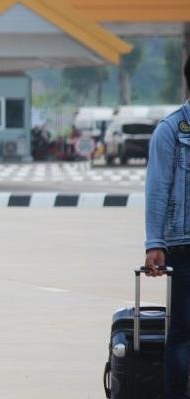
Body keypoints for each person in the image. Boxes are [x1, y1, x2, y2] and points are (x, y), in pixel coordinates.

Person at [144, 54, 190, 399]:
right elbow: (157, 188)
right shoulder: (171, 130)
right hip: (184, 244)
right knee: (183, 333)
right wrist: (154, 242)